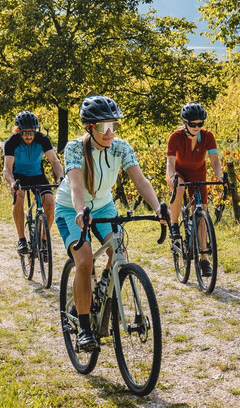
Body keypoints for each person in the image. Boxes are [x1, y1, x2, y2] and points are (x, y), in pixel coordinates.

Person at [57, 95, 171, 353]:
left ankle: (105, 292)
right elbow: (75, 185)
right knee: (84, 260)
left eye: (113, 126)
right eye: (102, 127)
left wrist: (157, 207)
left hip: (104, 205)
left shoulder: (120, 147)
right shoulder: (75, 148)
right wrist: (79, 211)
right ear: (89, 127)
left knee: (118, 250)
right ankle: (84, 327)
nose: (109, 133)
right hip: (70, 207)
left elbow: (140, 180)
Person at [164, 102, 223, 278]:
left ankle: (204, 258)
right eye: (193, 124)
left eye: (200, 124)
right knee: (180, 186)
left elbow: (214, 161)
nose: (197, 127)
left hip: (198, 172)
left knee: (202, 215)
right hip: (179, 172)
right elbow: (170, 162)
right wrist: (172, 177)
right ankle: (174, 224)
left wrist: (219, 176)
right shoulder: (175, 137)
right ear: (185, 123)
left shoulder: (207, 136)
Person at [2, 111, 64, 254]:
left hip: (37, 175)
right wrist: (12, 183)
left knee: (49, 203)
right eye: (25, 133)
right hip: (18, 176)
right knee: (19, 198)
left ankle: (43, 240)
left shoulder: (42, 139)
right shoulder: (12, 142)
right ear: (18, 131)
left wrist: (60, 176)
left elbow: (54, 161)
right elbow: (7, 169)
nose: (29, 136)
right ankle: (22, 239)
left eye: (31, 132)